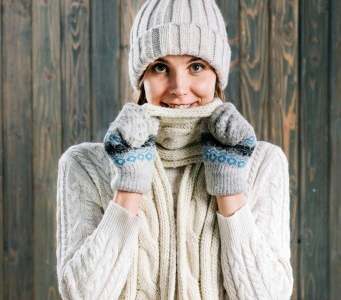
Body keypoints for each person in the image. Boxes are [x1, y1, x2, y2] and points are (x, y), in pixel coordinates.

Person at [56, 0, 294, 298]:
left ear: (217, 75)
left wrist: (230, 188)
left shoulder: (261, 163)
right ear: (141, 78)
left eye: (196, 66)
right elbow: (82, 294)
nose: (179, 87)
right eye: (160, 67)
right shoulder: (85, 165)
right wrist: (128, 187)